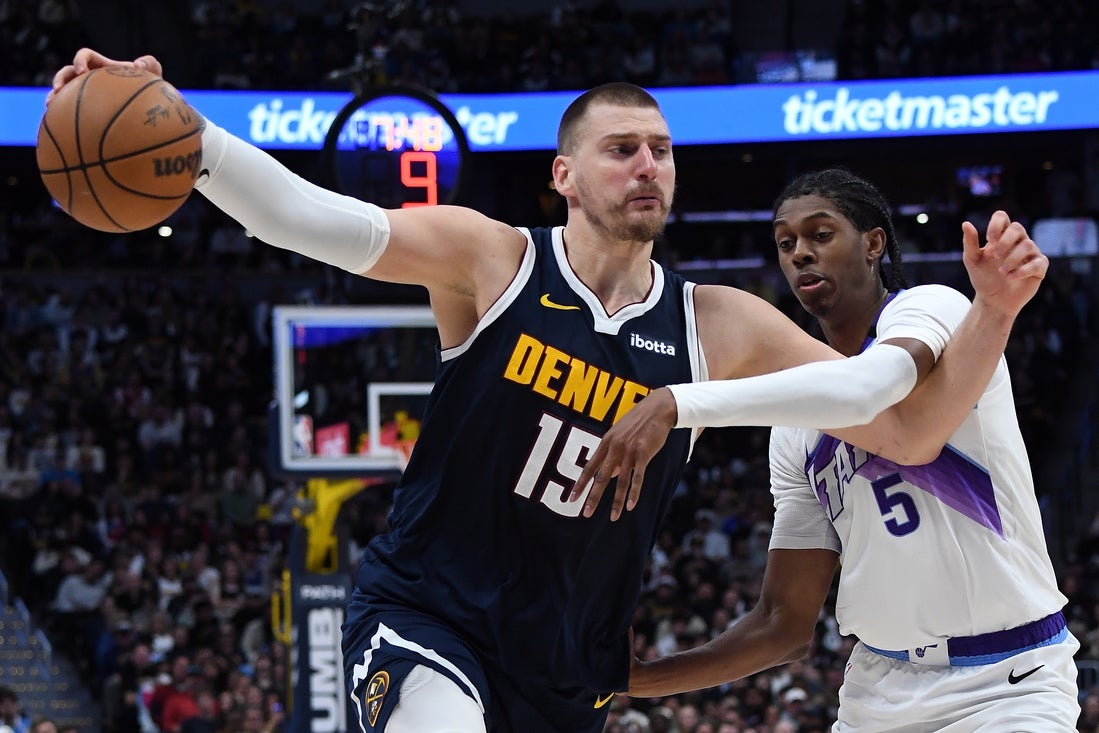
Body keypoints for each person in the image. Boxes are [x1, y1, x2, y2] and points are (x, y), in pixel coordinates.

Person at [52, 50, 1045, 733]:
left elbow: (904, 427)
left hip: (568, 664)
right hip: (429, 613)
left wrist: (992, 313)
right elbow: (305, 218)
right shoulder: (489, 259)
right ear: (564, 174)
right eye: (622, 149)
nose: (648, 165)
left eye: (660, 150)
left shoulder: (718, 325)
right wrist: (189, 134)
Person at [584, 169, 1078, 731]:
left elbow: (868, 388)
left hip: (1009, 682)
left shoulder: (934, 309)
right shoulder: (795, 426)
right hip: (878, 691)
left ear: (873, 243)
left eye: (820, 235)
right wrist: (637, 679)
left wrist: (682, 403)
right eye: (785, 243)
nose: (800, 253)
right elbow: (782, 623)